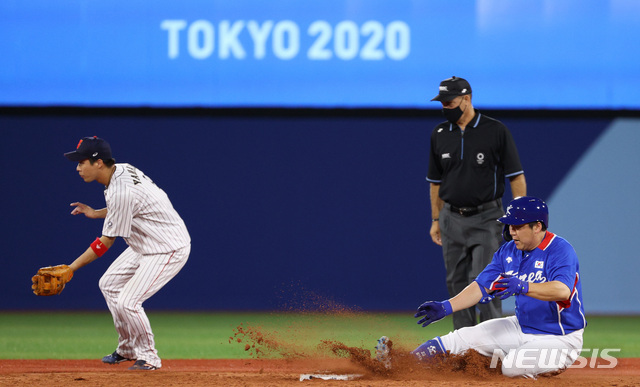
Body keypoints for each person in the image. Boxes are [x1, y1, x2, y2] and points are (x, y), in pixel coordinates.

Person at [383, 196, 586, 378]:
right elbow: (481, 286)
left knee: (512, 368)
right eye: (509, 226)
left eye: (517, 226)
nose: (511, 231)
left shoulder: (560, 250)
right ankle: (399, 363)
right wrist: (446, 307)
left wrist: (524, 286)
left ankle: (550, 365)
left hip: (561, 337)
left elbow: (562, 290)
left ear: (538, 226)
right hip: (521, 326)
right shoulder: (508, 251)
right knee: (459, 339)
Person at [63, 136, 191, 371]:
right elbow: (127, 206)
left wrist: (70, 268)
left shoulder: (121, 189)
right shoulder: (121, 169)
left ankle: (149, 357)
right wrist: (95, 213)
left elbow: (105, 243)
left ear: (98, 162)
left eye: (82, 162)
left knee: (128, 302)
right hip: (145, 243)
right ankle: (127, 348)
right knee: (109, 284)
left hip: (167, 248)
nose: (78, 167)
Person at [426, 76, 527, 329]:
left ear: (467, 99)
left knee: (486, 281)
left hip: (486, 217)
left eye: (450, 102)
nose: (445, 107)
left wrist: (520, 217)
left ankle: (493, 348)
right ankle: (463, 351)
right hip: (450, 218)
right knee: (456, 285)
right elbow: (435, 183)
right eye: (443, 103)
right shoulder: (439, 134)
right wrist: (436, 219)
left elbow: (516, 176)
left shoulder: (495, 131)